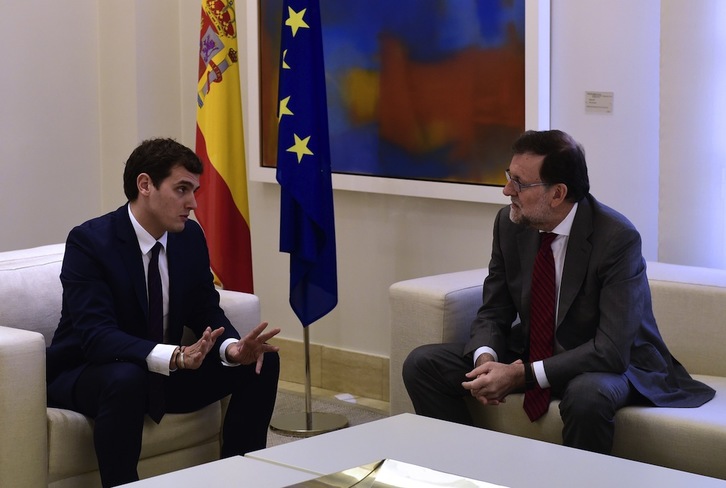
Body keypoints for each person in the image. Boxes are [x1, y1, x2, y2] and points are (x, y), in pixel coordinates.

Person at [403, 129, 715, 455]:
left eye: (520, 183)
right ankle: (466, 469)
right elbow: (494, 311)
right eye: (509, 176)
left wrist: (521, 375)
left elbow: (610, 349)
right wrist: (486, 361)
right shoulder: (510, 225)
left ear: (557, 194)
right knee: (424, 363)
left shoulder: (616, 238)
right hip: (534, 349)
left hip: (610, 364)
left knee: (587, 395)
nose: (507, 189)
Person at [46, 138, 281, 487]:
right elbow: (97, 337)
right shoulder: (90, 242)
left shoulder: (189, 238)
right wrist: (175, 357)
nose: (193, 203)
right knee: (127, 378)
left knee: (261, 362)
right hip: (91, 372)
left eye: (195, 191)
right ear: (145, 185)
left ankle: (239, 478)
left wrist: (230, 348)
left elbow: (205, 308)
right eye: (182, 189)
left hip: (164, 371)